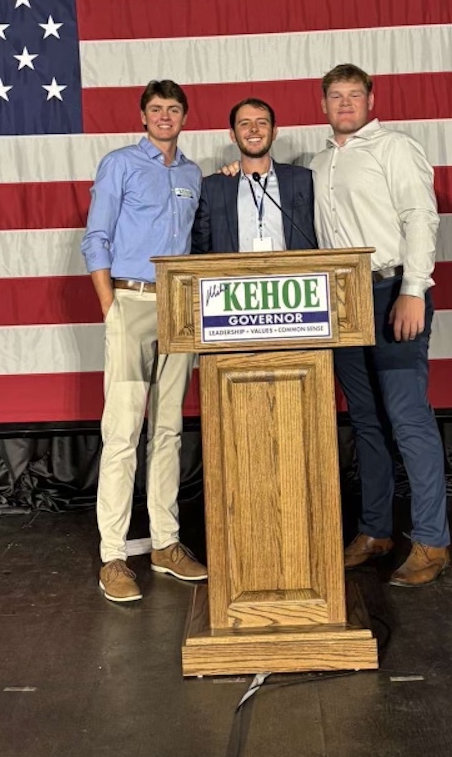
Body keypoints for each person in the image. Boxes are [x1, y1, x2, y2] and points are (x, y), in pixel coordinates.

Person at [311, 64, 450, 587]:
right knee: (366, 419)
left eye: (354, 95)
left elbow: (421, 217)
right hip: (342, 298)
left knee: (407, 415)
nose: (344, 104)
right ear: (323, 105)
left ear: (371, 99)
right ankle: (376, 531)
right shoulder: (319, 162)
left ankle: (432, 540)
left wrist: (414, 289)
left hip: (392, 290)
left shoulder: (395, 147)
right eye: (335, 96)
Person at [81, 80, 207, 603]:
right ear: (142, 115)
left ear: (183, 118)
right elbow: (96, 237)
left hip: (177, 309)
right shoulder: (120, 164)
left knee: (170, 431)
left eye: (173, 109)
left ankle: (165, 542)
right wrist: (111, 308)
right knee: (124, 431)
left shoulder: (192, 173)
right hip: (130, 303)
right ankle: (113, 555)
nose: (164, 116)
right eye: (156, 109)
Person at [191, 97, 317, 255]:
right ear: (232, 135)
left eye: (262, 122)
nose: (254, 129)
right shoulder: (213, 188)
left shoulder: (303, 180)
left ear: (274, 132)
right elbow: (199, 251)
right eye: (244, 123)